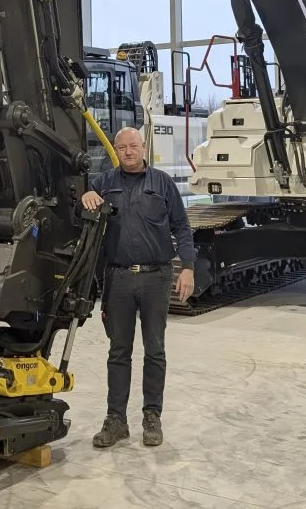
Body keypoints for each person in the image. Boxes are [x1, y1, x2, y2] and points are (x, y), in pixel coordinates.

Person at [81, 126, 196, 449]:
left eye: (133, 146)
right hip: (117, 278)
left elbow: (182, 227)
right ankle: (116, 419)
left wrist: (187, 267)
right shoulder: (104, 184)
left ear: (143, 147)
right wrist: (84, 197)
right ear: (115, 151)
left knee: (155, 349)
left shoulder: (162, 184)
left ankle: (151, 417)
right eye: (122, 147)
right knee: (118, 351)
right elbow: (83, 216)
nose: (128, 152)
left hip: (155, 278)